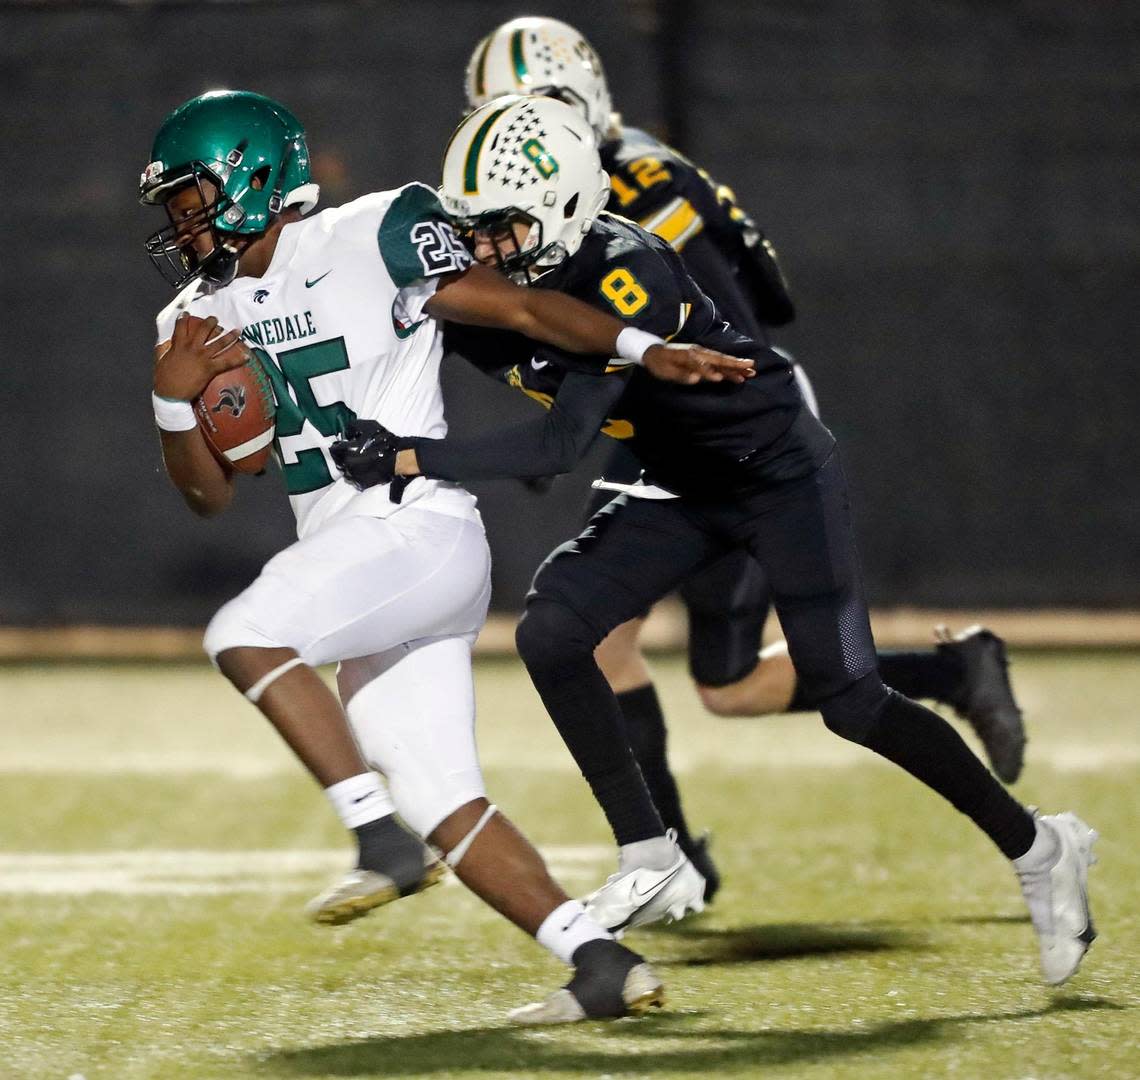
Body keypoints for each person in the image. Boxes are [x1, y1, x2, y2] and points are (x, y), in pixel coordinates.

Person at [332, 95, 1097, 986]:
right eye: (473, 231)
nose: (482, 251)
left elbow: (561, 443)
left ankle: (1042, 847)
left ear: (562, 206)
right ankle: (650, 850)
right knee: (553, 627)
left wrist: (406, 459)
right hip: (679, 487)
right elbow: (405, 334)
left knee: (851, 700)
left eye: (499, 229)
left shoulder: (626, 271)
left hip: (777, 476)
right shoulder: (497, 286)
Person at [140, 89, 752, 1023]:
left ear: (251, 182)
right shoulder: (188, 319)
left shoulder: (373, 229)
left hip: (415, 527)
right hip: (354, 557)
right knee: (438, 792)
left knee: (245, 633)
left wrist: (641, 343)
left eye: (190, 200)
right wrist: (173, 402)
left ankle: (374, 837)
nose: (180, 225)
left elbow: (522, 310)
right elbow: (208, 492)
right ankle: (599, 964)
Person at [461, 16, 1027, 901]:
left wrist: (596, 403)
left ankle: (668, 859)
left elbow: (736, 331)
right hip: (670, 428)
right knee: (698, 673)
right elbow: (774, 289)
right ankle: (947, 674)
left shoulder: (633, 192)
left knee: (660, 657)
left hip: (723, 430)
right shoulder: (630, 172)